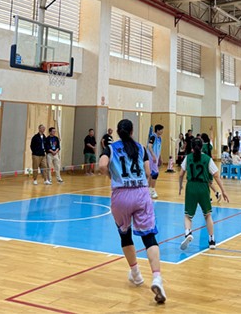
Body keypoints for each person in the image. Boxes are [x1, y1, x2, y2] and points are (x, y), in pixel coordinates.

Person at [98, 119, 166, 304]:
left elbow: (102, 165)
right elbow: (148, 172)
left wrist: (111, 175)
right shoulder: (140, 148)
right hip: (141, 193)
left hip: (121, 195)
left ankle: (136, 274)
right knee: (149, 237)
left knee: (125, 235)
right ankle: (157, 277)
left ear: (118, 132)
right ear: (132, 130)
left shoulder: (110, 148)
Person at [178, 138, 229, 251]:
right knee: (207, 215)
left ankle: (188, 233)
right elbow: (216, 176)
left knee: (188, 216)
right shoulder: (207, 159)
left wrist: (180, 186)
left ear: (192, 147)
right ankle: (212, 240)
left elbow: (181, 174)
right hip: (203, 188)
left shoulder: (188, 158)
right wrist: (223, 191)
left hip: (191, 187)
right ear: (202, 147)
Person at [200, 132, 221, 203]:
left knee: (205, 182)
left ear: (202, 139)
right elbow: (211, 139)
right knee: (209, 182)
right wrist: (211, 131)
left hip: (204, 165)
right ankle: (216, 193)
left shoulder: (202, 146)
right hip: (210, 164)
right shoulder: (209, 145)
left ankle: (209, 198)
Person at [147, 124, 164, 199]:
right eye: (161, 130)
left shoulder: (160, 138)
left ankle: (148, 191)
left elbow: (159, 149)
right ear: (157, 130)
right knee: (155, 174)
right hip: (151, 158)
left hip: (156, 158)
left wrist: (160, 158)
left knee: (151, 174)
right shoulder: (153, 137)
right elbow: (149, 146)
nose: (162, 131)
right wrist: (153, 156)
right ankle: (152, 190)